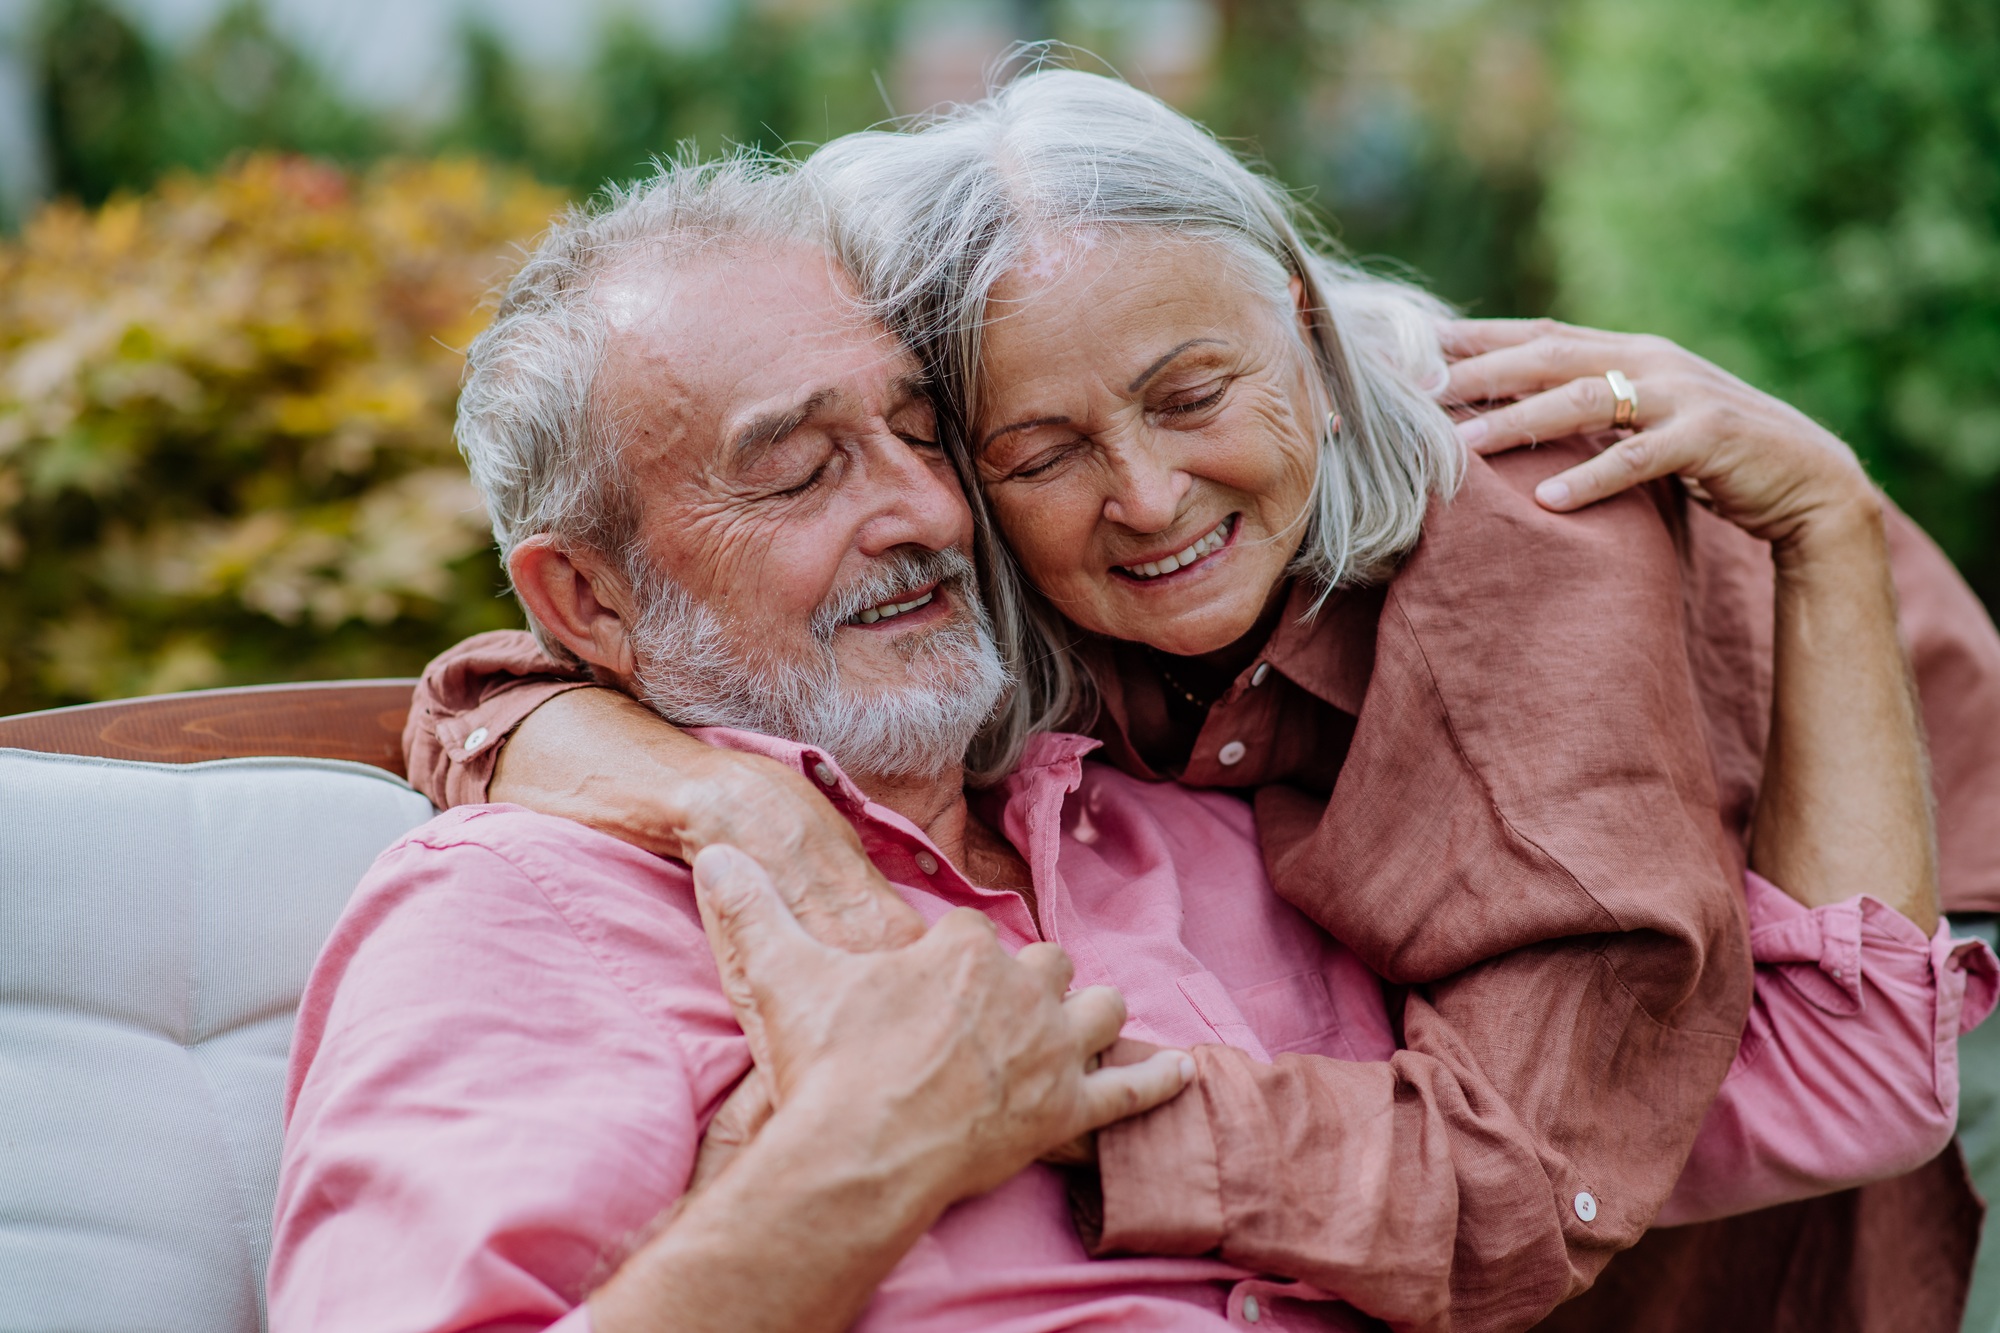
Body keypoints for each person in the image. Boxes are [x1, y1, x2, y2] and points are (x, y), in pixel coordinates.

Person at [406, 73, 2000, 1326]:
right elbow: (530, 667)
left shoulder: (1524, 542)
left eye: (1192, 399)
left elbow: (1608, 1151)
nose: (1151, 496)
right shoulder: (954, 536)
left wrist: (1009, 1105)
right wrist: (732, 800)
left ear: (1302, 332)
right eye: (1037, 452)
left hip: (1903, 929)